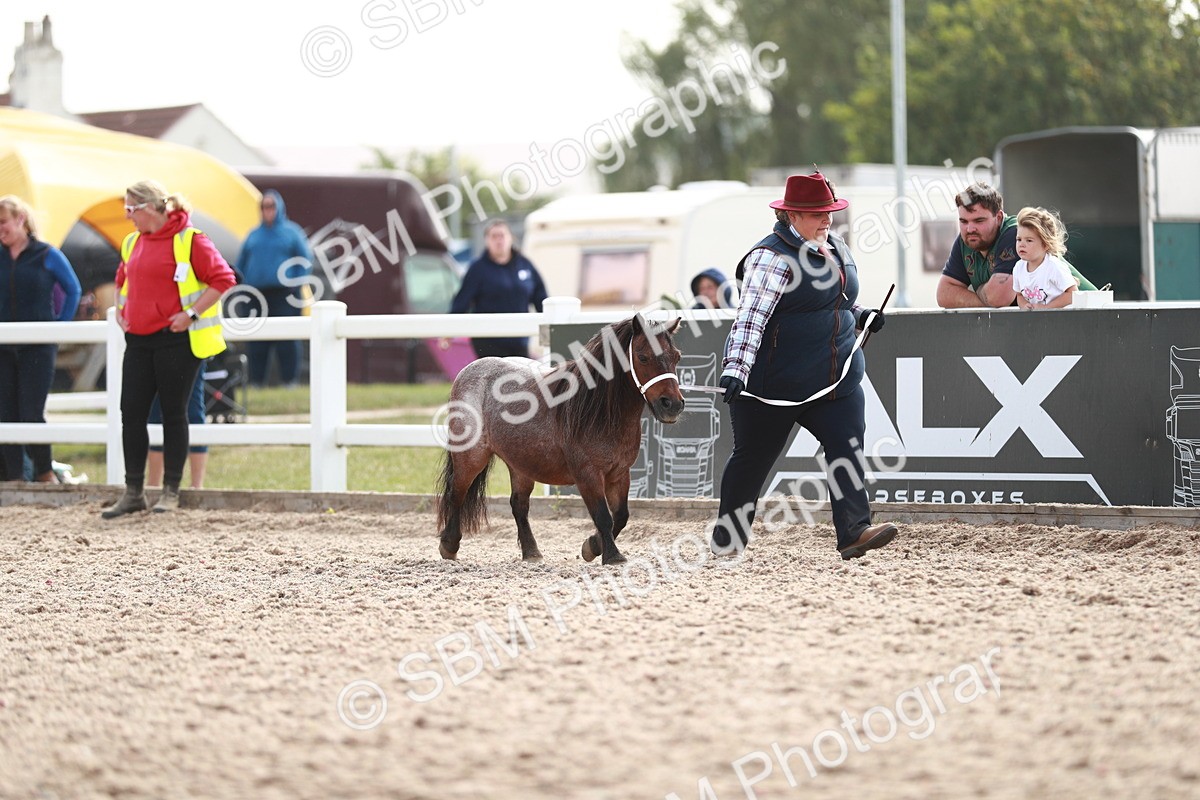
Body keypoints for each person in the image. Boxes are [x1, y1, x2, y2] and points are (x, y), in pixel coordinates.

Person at [712, 171, 897, 561]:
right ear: (792, 215)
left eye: (830, 211)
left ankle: (853, 532)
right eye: (817, 213)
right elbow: (751, 318)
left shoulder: (836, 245)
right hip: (771, 384)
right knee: (751, 460)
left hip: (833, 377)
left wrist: (861, 316)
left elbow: (834, 302)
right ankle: (727, 542)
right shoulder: (770, 257)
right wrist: (735, 370)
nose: (827, 219)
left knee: (846, 445)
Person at [102, 181, 236, 518]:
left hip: (176, 341)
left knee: (174, 414)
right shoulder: (132, 241)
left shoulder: (190, 239)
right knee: (131, 413)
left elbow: (223, 279)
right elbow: (122, 280)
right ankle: (134, 492)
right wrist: (120, 310)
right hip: (139, 340)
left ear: (148, 208)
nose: (127, 217)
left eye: (130, 210)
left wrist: (190, 314)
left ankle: (171, 492)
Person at [0, 195, 82, 483]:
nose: (0, 230)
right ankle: (14, 478)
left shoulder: (46, 254)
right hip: (4, 347)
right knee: (5, 411)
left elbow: (73, 289)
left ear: (20, 219)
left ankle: (44, 472)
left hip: (38, 345)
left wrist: (60, 326)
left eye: (3, 223)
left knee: (31, 411)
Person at [936, 182, 1094, 308]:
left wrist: (974, 292)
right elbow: (944, 295)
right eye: (963, 221)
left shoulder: (1015, 234)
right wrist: (985, 297)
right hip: (1047, 321)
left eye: (979, 221)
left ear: (998, 217)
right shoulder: (968, 239)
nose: (970, 228)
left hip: (1088, 313)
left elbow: (999, 296)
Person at [236, 190, 313, 387]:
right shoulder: (254, 235)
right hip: (256, 295)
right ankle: (256, 382)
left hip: (284, 294)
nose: (267, 211)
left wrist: (294, 283)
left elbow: (304, 261)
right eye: (264, 206)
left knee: (287, 340)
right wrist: (242, 285)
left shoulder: (291, 232)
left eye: (271, 206)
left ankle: (289, 381)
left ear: (278, 208)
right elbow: (241, 263)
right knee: (256, 341)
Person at [450, 219, 548, 359]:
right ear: (486, 240)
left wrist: (548, 329)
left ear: (510, 238)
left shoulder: (525, 265)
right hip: (488, 342)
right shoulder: (478, 269)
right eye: (494, 236)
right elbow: (462, 301)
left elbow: (541, 298)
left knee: (521, 380)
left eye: (502, 235)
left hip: (519, 340)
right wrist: (448, 329)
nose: (498, 240)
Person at [146, 362, 208, 489]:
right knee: (157, 408)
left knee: (192, 408)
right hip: (158, 346)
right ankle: (153, 485)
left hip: (192, 347)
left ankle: (196, 486)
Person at [1013, 207, 1079, 310]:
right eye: (1019, 239)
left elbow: (1073, 294)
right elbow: (1019, 295)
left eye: (1029, 240)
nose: (1022, 244)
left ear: (1045, 245)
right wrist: (1024, 305)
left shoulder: (1054, 266)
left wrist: (1047, 307)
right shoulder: (1018, 267)